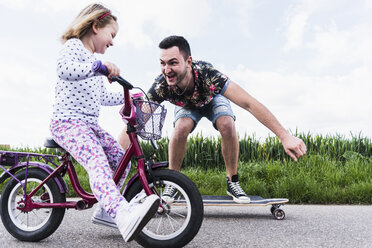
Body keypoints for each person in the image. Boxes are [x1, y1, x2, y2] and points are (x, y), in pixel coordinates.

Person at [145, 35, 307, 203]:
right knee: (181, 127)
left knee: (227, 124)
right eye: (162, 63)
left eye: (173, 63)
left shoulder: (208, 74)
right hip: (186, 105)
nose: (167, 70)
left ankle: (233, 181)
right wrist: (115, 159)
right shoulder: (161, 86)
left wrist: (284, 136)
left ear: (188, 61)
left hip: (212, 98)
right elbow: (137, 119)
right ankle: (173, 182)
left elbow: (249, 103)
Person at [49, 3, 159, 242]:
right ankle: (121, 212)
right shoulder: (74, 48)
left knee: (121, 159)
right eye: (112, 35)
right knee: (97, 162)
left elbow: (104, 98)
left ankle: (106, 210)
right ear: (96, 26)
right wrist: (97, 66)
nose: (112, 42)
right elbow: (64, 69)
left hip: (89, 125)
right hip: (67, 122)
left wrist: (131, 96)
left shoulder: (93, 64)